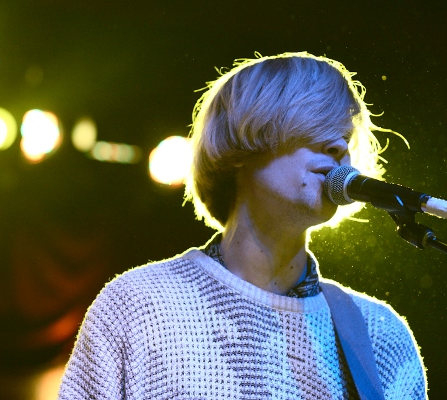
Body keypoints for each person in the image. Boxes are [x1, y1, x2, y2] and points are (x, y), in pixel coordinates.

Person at [58, 52, 427, 399]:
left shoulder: (378, 336)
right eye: (314, 124)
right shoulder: (138, 306)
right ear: (244, 137)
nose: (337, 145)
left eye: (344, 136)